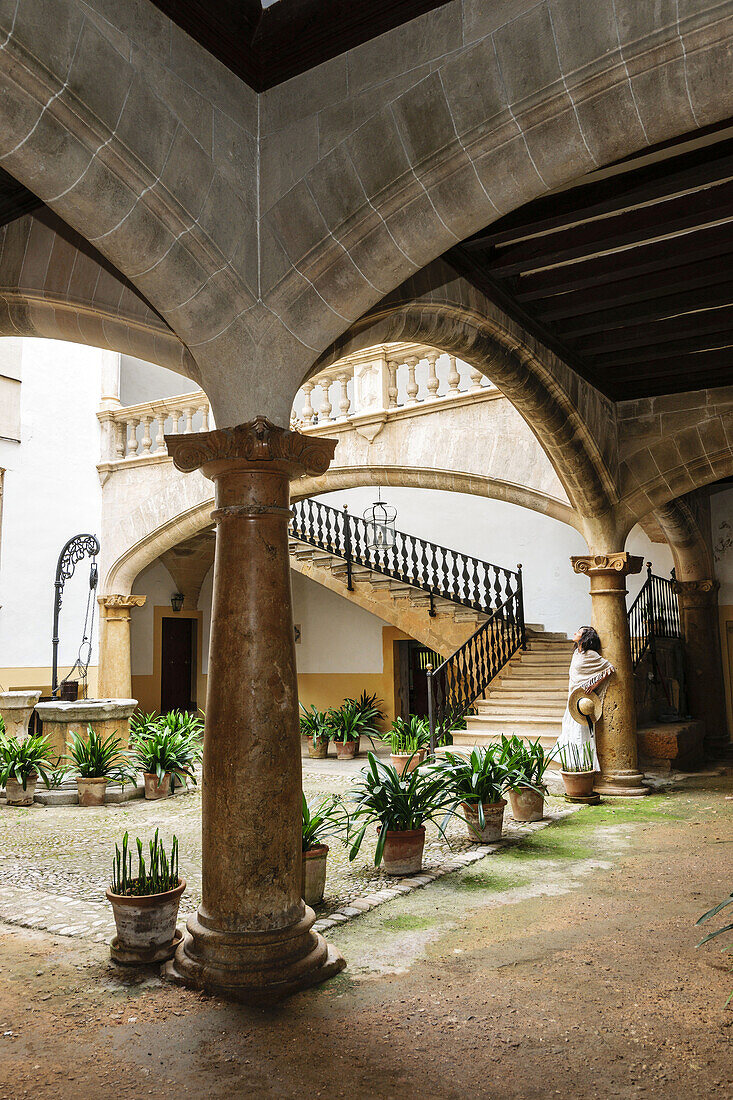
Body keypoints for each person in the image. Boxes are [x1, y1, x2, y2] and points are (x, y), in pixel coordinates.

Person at [554, 626, 615, 772]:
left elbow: (609, 668)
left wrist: (594, 684)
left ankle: (583, 765)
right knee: (568, 727)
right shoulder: (576, 653)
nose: (575, 633)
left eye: (579, 632)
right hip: (572, 696)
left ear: (585, 637)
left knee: (581, 731)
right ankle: (570, 763)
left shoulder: (591, 655)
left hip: (582, 699)